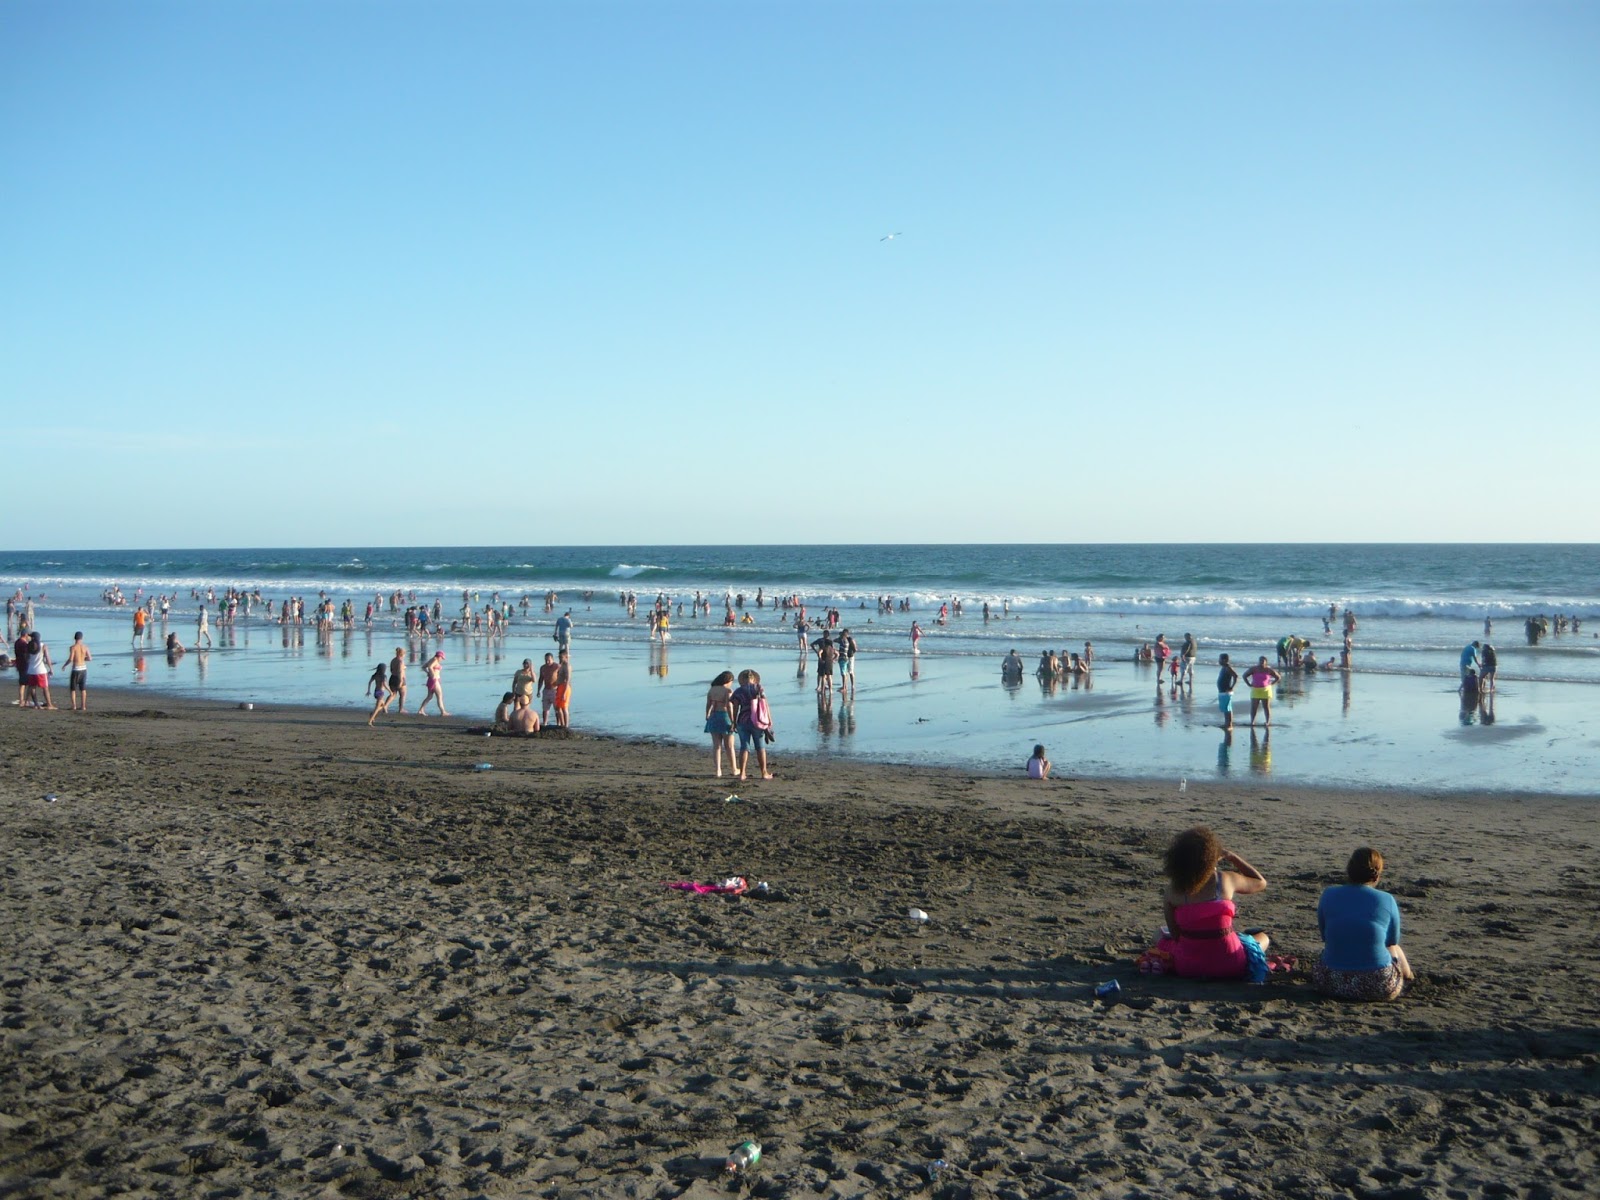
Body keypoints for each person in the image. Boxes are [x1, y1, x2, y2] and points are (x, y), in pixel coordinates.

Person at [1154, 827, 1271, 980]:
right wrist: (1231, 856)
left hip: (1188, 967)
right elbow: (1260, 882)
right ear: (1211, 857)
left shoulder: (1171, 891)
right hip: (1231, 963)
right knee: (1263, 938)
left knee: (1159, 934)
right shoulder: (1224, 880)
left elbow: (1176, 936)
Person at [1314, 847, 1414, 1002]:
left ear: (1349, 870)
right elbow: (1392, 941)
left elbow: (1325, 935)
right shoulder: (1386, 899)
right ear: (1376, 875)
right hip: (1376, 985)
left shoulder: (1328, 894)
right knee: (1394, 948)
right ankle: (1409, 978)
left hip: (1330, 982)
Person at [732, 669, 774, 780]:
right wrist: (769, 720)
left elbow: (735, 708)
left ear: (742, 679)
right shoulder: (758, 688)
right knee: (760, 747)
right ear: (754, 678)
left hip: (743, 720)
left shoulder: (738, 691)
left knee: (744, 747)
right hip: (757, 720)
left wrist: (733, 722)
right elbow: (765, 704)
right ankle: (763, 773)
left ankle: (742, 774)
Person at [705, 670, 737, 776]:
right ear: (728, 680)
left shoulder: (712, 689)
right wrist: (733, 720)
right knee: (729, 746)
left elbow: (708, 704)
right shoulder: (728, 691)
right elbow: (729, 706)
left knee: (716, 745)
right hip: (724, 716)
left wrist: (707, 715)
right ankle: (734, 769)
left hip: (714, 716)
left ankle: (718, 770)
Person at [1244, 656, 1282, 727]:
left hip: (1265, 690)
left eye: (1263, 661)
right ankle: (1252, 721)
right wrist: (1248, 684)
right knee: (1254, 707)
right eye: (1260, 661)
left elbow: (1278, 677)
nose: (1261, 662)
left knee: (1266, 707)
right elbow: (1244, 676)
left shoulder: (1268, 670)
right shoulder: (1254, 669)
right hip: (1256, 690)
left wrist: (1272, 684)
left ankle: (1267, 721)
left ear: (1266, 662)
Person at [24, 631, 54, 709]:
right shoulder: (43, 646)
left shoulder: (28, 646)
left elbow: (26, 658)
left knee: (32, 687)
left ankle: (36, 704)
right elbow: (47, 658)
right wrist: (51, 668)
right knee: (45, 688)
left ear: (33, 638)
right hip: (41, 670)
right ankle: (49, 704)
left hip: (31, 670)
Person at [64, 632, 91, 711]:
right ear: (81, 638)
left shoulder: (73, 647)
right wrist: (83, 659)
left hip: (76, 669)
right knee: (83, 688)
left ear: (75, 638)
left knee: (73, 689)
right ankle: (83, 706)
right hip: (83, 669)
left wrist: (65, 665)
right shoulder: (85, 647)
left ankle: (74, 706)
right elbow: (89, 658)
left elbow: (71, 659)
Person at [416, 651, 448, 716]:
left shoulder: (431, 659)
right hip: (434, 680)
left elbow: (423, 667)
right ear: (439, 656)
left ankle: (421, 710)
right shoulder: (435, 660)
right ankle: (443, 712)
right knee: (439, 696)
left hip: (431, 680)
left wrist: (428, 672)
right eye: (441, 658)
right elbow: (430, 666)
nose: (441, 659)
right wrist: (432, 674)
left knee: (429, 696)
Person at [1216, 654, 1240, 731]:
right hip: (1222, 691)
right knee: (1225, 708)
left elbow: (1236, 676)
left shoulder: (1228, 668)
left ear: (1224, 660)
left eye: (1220, 659)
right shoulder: (1224, 668)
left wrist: (1232, 687)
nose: (1219, 661)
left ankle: (1229, 724)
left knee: (1227, 708)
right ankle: (1226, 723)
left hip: (1226, 691)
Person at [537, 652, 560, 725]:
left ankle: (558, 723)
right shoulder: (543, 667)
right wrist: (538, 690)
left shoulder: (557, 666)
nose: (547, 662)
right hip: (546, 689)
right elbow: (541, 679)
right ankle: (545, 723)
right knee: (545, 709)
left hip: (555, 690)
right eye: (546, 660)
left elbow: (562, 678)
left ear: (552, 659)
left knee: (557, 708)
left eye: (549, 660)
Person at [388, 647, 408, 715]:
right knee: (403, 694)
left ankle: (385, 706)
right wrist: (401, 681)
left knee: (393, 694)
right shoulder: (401, 661)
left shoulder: (393, 660)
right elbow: (400, 671)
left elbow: (391, 669)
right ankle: (401, 709)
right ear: (403, 654)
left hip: (392, 677)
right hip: (399, 678)